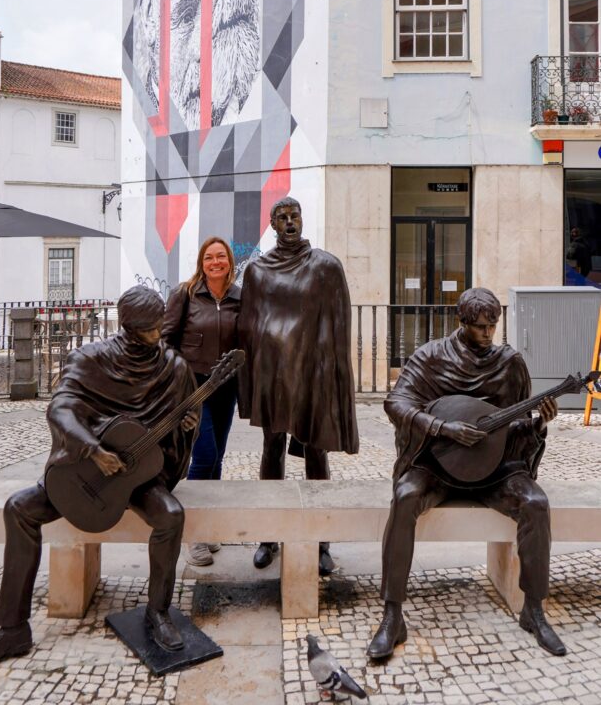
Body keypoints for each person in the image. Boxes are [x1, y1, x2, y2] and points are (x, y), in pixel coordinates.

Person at [0, 285, 199, 670]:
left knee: (171, 515)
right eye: (150, 329)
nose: (158, 335)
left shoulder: (174, 368)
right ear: (129, 327)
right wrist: (92, 449)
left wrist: (186, 426)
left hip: (139, 476)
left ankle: (158, 612)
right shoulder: (91, 359)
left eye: (160, 326)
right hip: (87, 469)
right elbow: (62, 408)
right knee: (19, 509)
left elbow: (183, 428)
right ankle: (12, 630)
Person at [368, 287, 565, 662]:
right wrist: (442, 428)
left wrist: (540, 423)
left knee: (536, 503)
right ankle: (393, 615)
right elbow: (396, 402)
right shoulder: (432, 357)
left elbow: (519, 429)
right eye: (480, 327)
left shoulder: (509, 364)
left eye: (493, 326)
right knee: (405, 496)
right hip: (437, 465)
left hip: (497, 469)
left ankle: (533, 609)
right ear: (461, 322)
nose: (488, 334)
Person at [238, 196, 359, 575]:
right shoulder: (257, 271)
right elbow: (248, 327)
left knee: (315, 450)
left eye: (295, 216)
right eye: (282, 217)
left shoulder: (324, 267)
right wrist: (250, 384)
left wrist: (334, 379)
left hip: (311, 374)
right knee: (271, 448)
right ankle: (268, 536)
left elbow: (338, 327)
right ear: (272, 224)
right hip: (273, 375)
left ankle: (321, 540)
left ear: (302, 220)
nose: (290, 222)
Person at [163, 236, 241, 567]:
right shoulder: (185, 294)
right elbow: (166, 340)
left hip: (226, 386)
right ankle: (193, 533)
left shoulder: (239, 297)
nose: (215, 262)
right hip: (194, 387)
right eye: (209, 257)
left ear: (229, 262)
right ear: (201, 263)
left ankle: (208, 527)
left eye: (221, 256)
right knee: (204, 454)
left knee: (218, 457)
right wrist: (175, 380)